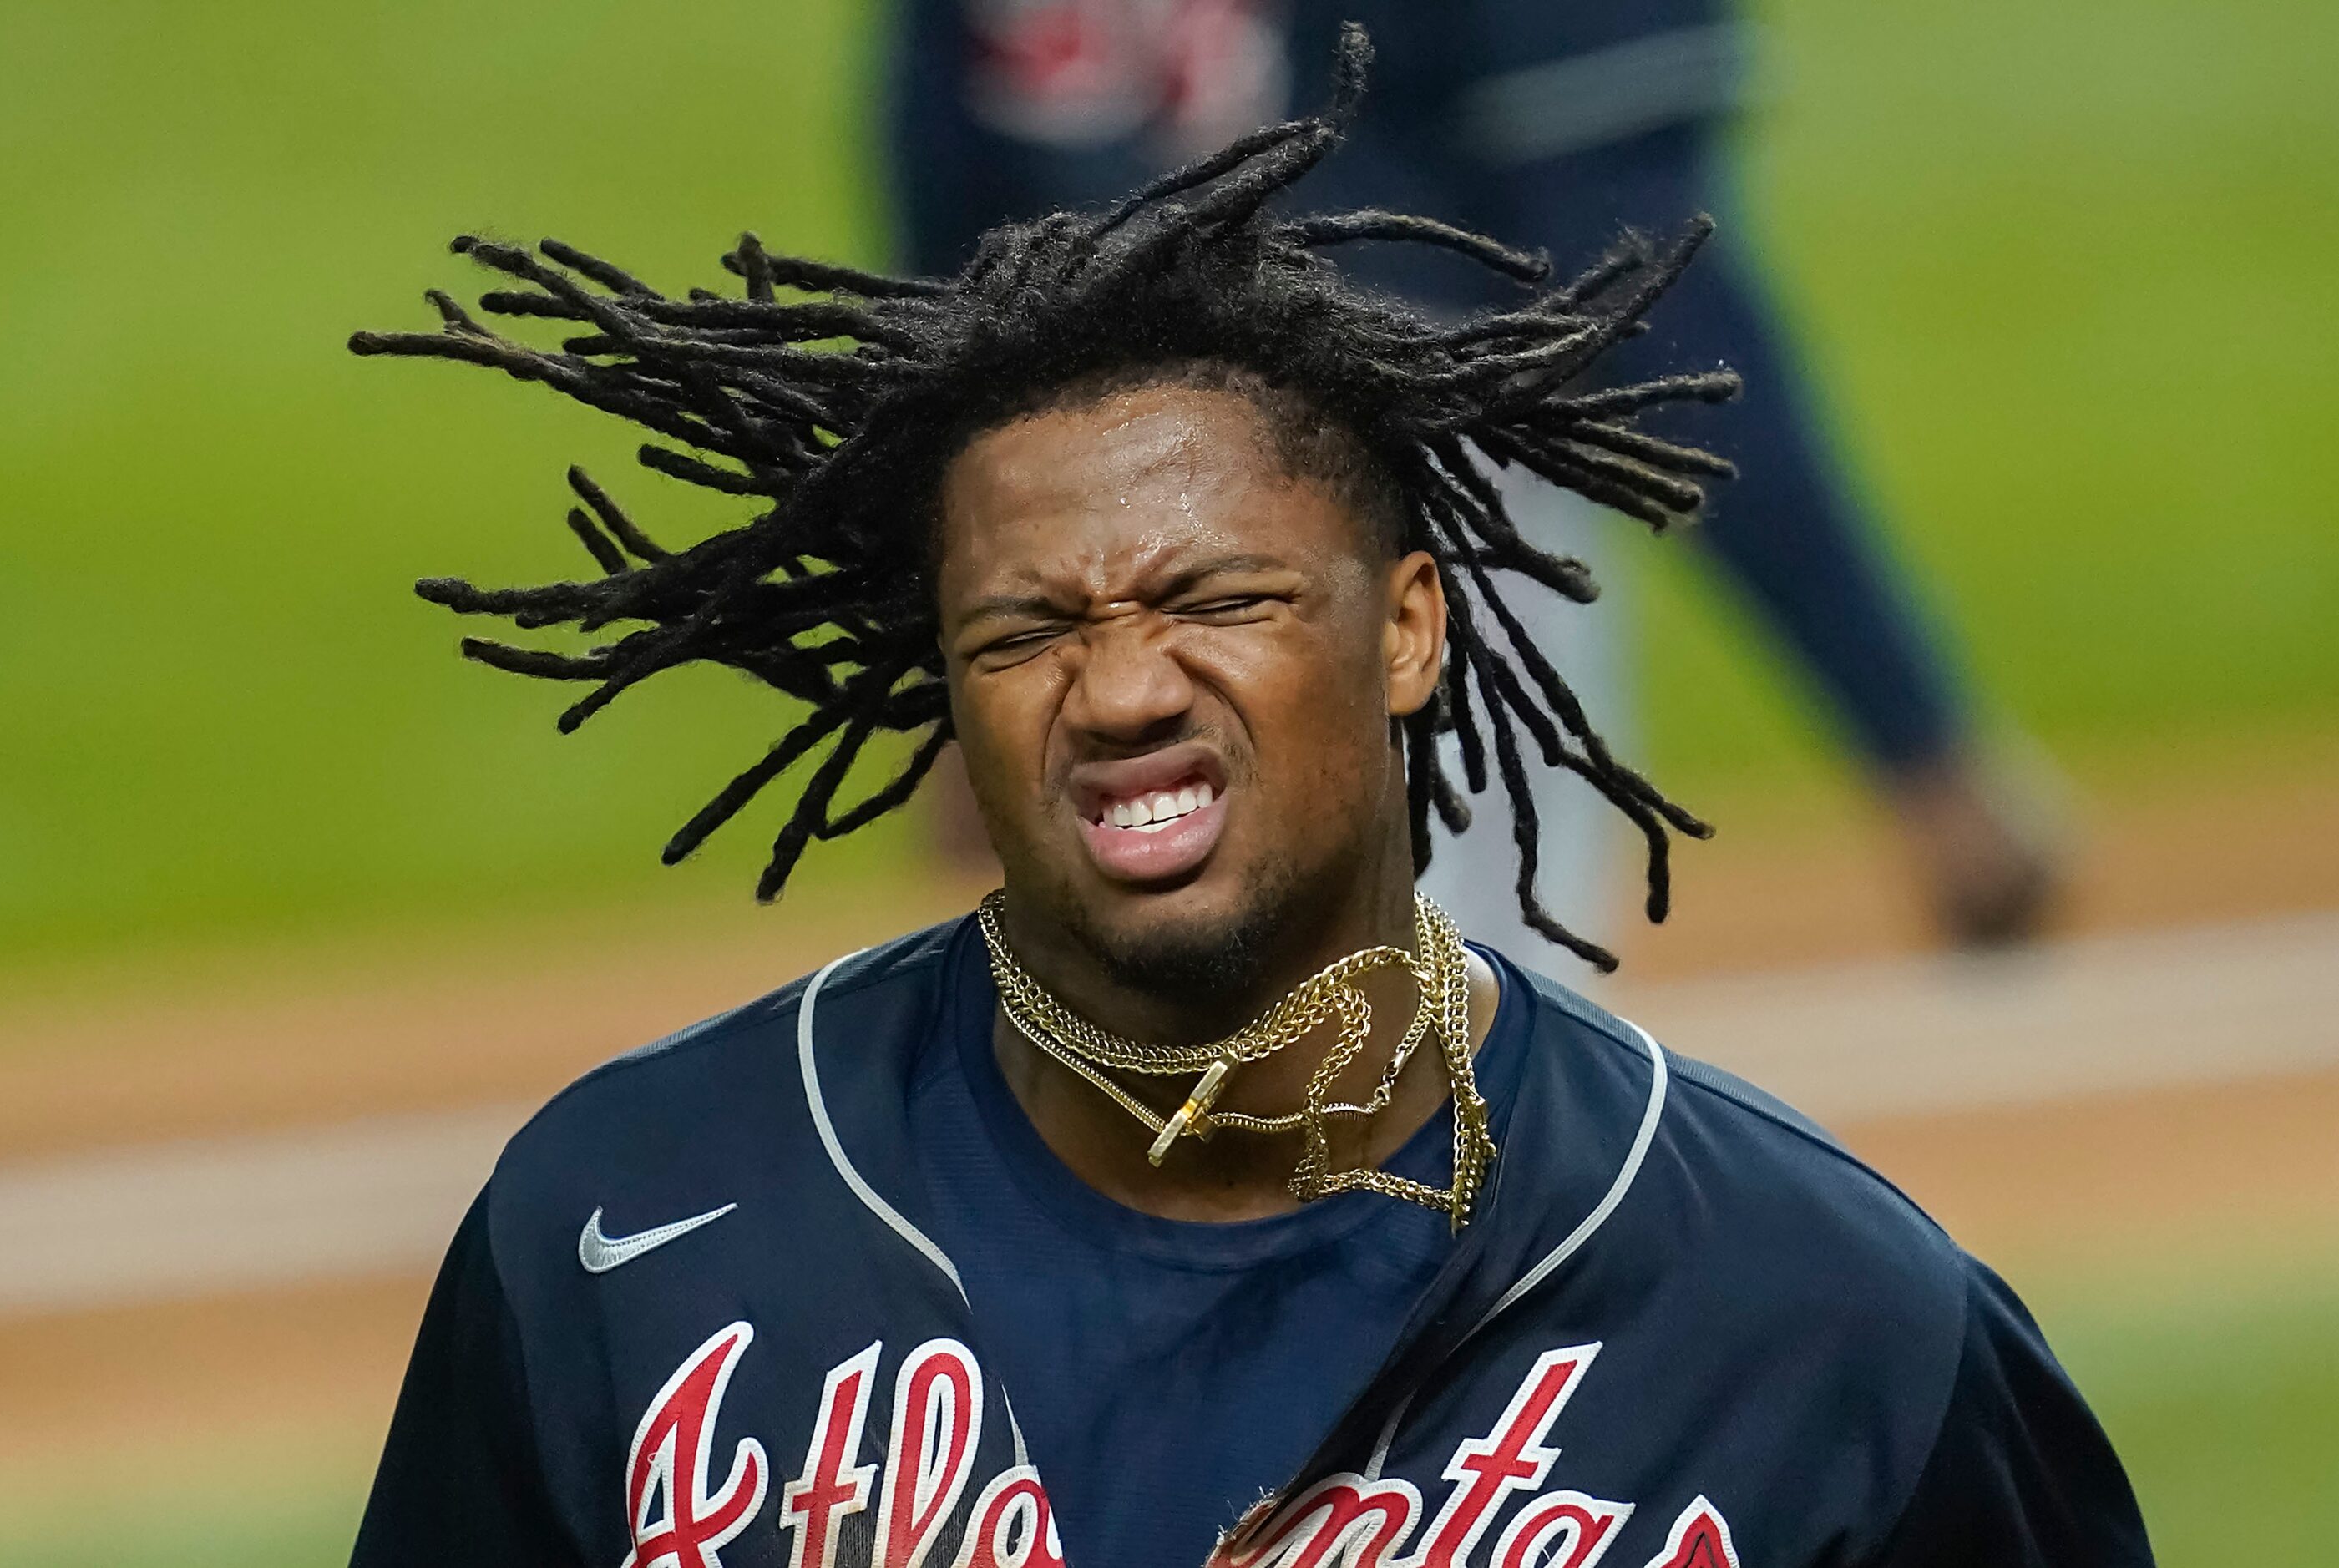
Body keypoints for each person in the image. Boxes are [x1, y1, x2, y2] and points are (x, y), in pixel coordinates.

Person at [346, 31, 2149, 1567]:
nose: (1122, 686)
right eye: (1029, 635)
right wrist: (1915, 739)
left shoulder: (1827, 1321)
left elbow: (936, 192)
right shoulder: (624, 1228)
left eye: (1212, 607)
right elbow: (1640, 251)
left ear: (1408, 631)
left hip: (1377, 455)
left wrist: (1022, 524)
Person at [888, 0, 2063, 962]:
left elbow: (952, 262)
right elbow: (1652, 297)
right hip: (1405, 490)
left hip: (1079, 531)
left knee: (1169, 1045)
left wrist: (959, 651)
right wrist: (1917, 739)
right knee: (1460, 1060)